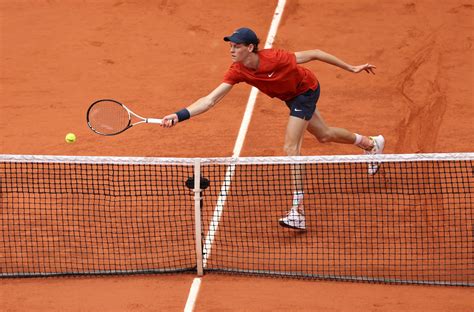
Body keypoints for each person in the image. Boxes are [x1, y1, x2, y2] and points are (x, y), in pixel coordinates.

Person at [161, 27, 385, 231]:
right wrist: (179, 115)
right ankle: (371, 143)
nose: (231, 50)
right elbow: (210, 100)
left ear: (250, 48)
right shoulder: (237, 70)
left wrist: (352, 68)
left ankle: (298, 211)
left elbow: (315, 53)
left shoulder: (275, 58)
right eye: (230, 45)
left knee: (291, 148)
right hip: (290, 97)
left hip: (305, 91)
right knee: (324, 135)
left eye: (236, 46)